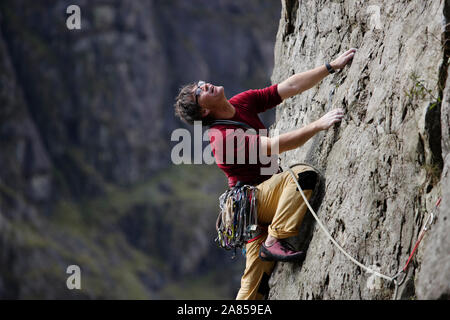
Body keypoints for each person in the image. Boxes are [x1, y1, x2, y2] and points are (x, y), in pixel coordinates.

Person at [174, 48, 356, 299]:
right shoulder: (221, 138)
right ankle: (274, 240)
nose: (204, 86)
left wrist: (330, 67)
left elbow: (289, 87)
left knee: (253, 287)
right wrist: (318, 125)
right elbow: (273, 146)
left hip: (258, 206)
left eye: (201, 85)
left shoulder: (242, 102)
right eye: (199, 92)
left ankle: (271, 240)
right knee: (301, 176)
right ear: (204, 112)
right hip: (254, 205)